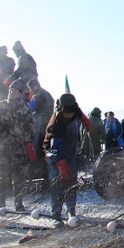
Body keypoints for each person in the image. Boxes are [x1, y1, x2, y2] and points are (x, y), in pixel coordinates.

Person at [0, 79, 37, 211]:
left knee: (19, 176)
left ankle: (18, 203)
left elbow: (30, 128)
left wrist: (30, 145)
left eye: (14, 91)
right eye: (10, 90)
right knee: (1, 175)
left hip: (19, 148)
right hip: (3, 147)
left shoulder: (25, 109)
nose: (11, 92)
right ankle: (0, 203)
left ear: (20, 93)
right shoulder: (0, 106)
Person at [43, 94, 88, 227]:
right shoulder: (56, 124)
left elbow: (78, 111)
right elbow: (56, 147)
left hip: (70, 153)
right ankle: (56, 214)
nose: (70, 115)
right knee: (57, 183)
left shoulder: (73, 110)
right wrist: (62, 167)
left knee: (71, 183)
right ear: (61, 109)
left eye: (71, 113)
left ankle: (71, 211)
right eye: (67, 113)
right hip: (55, 154)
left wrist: (84, 119)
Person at [27, 79, 54, 159]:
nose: (30, 91)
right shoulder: (47, 93)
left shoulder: (38, 95)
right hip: (49, 121)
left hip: (41, 121)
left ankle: (37, 159)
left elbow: (30, 108)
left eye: (30, 88)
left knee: (37, 142)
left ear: (35, 86)